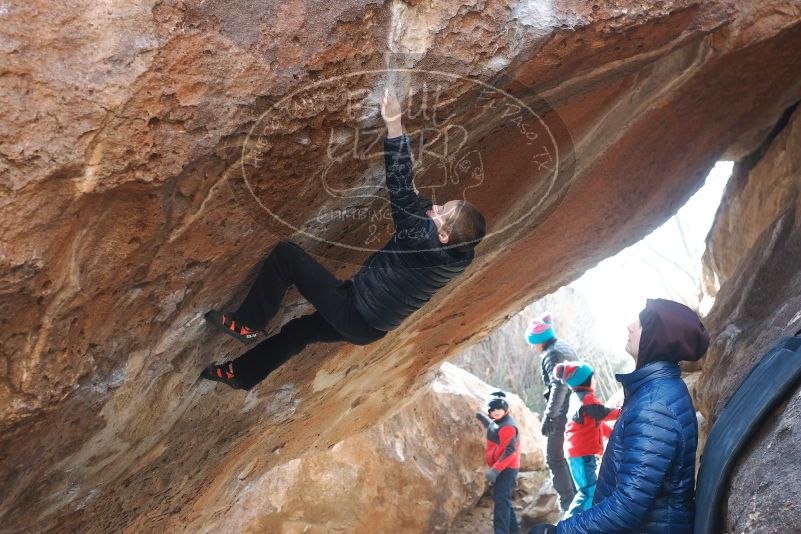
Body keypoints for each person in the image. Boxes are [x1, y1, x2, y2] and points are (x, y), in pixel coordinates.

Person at [199, 87, 486, 390]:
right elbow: (418, 204)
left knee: (287, 257)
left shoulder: (418, 239)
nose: (434, 208)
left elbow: (401, 186)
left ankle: (248, 323)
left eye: (440, 212)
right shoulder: (461, 254)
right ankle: (241, 375)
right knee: (300, 332)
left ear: (442, 235)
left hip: (356, 312)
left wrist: (394, 124)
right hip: (371, 327)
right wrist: (425, 206)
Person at [530, 298, 710, 534]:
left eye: (642, 323)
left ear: (658, 339)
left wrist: (559, 531)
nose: (630, 326)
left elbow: (627, 506)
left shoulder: (654, 407)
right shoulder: (654, 392)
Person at [552, 362, 620, 518]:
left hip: (576, 453)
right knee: (588, 490)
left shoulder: (576, 399)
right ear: (586, 380)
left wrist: (612, 435)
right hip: (581, 453)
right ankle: (571, 522)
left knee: (588, 488)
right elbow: (602, 414)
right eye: (593, 377)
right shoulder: (587, 398)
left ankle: (583, 519)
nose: (595, 380)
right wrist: (623, 411)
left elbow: (596, 424)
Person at [527, 313, 577, 514]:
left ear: (539, 340)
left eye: (533, 343)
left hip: (562, 411)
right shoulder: (563, 346)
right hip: (575, 407)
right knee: (567, 456)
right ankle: (578, 501)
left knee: (554, 457)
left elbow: (559, 385)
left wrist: (550, 416)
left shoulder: (552, 354)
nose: (532, 347)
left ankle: (569, 506)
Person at [476, 391, 522, 534]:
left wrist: (495, 470)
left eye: (499, 409)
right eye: (492, 409)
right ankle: (514, 531)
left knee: (501, 500)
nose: (496, 412)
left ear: (505, 408)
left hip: (506, 468)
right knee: (503, 499)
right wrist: (487, 423)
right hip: (503, 467)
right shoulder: (500, 421)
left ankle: (501, 531)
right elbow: (497, 431)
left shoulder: (508, 426)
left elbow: (510, 451)